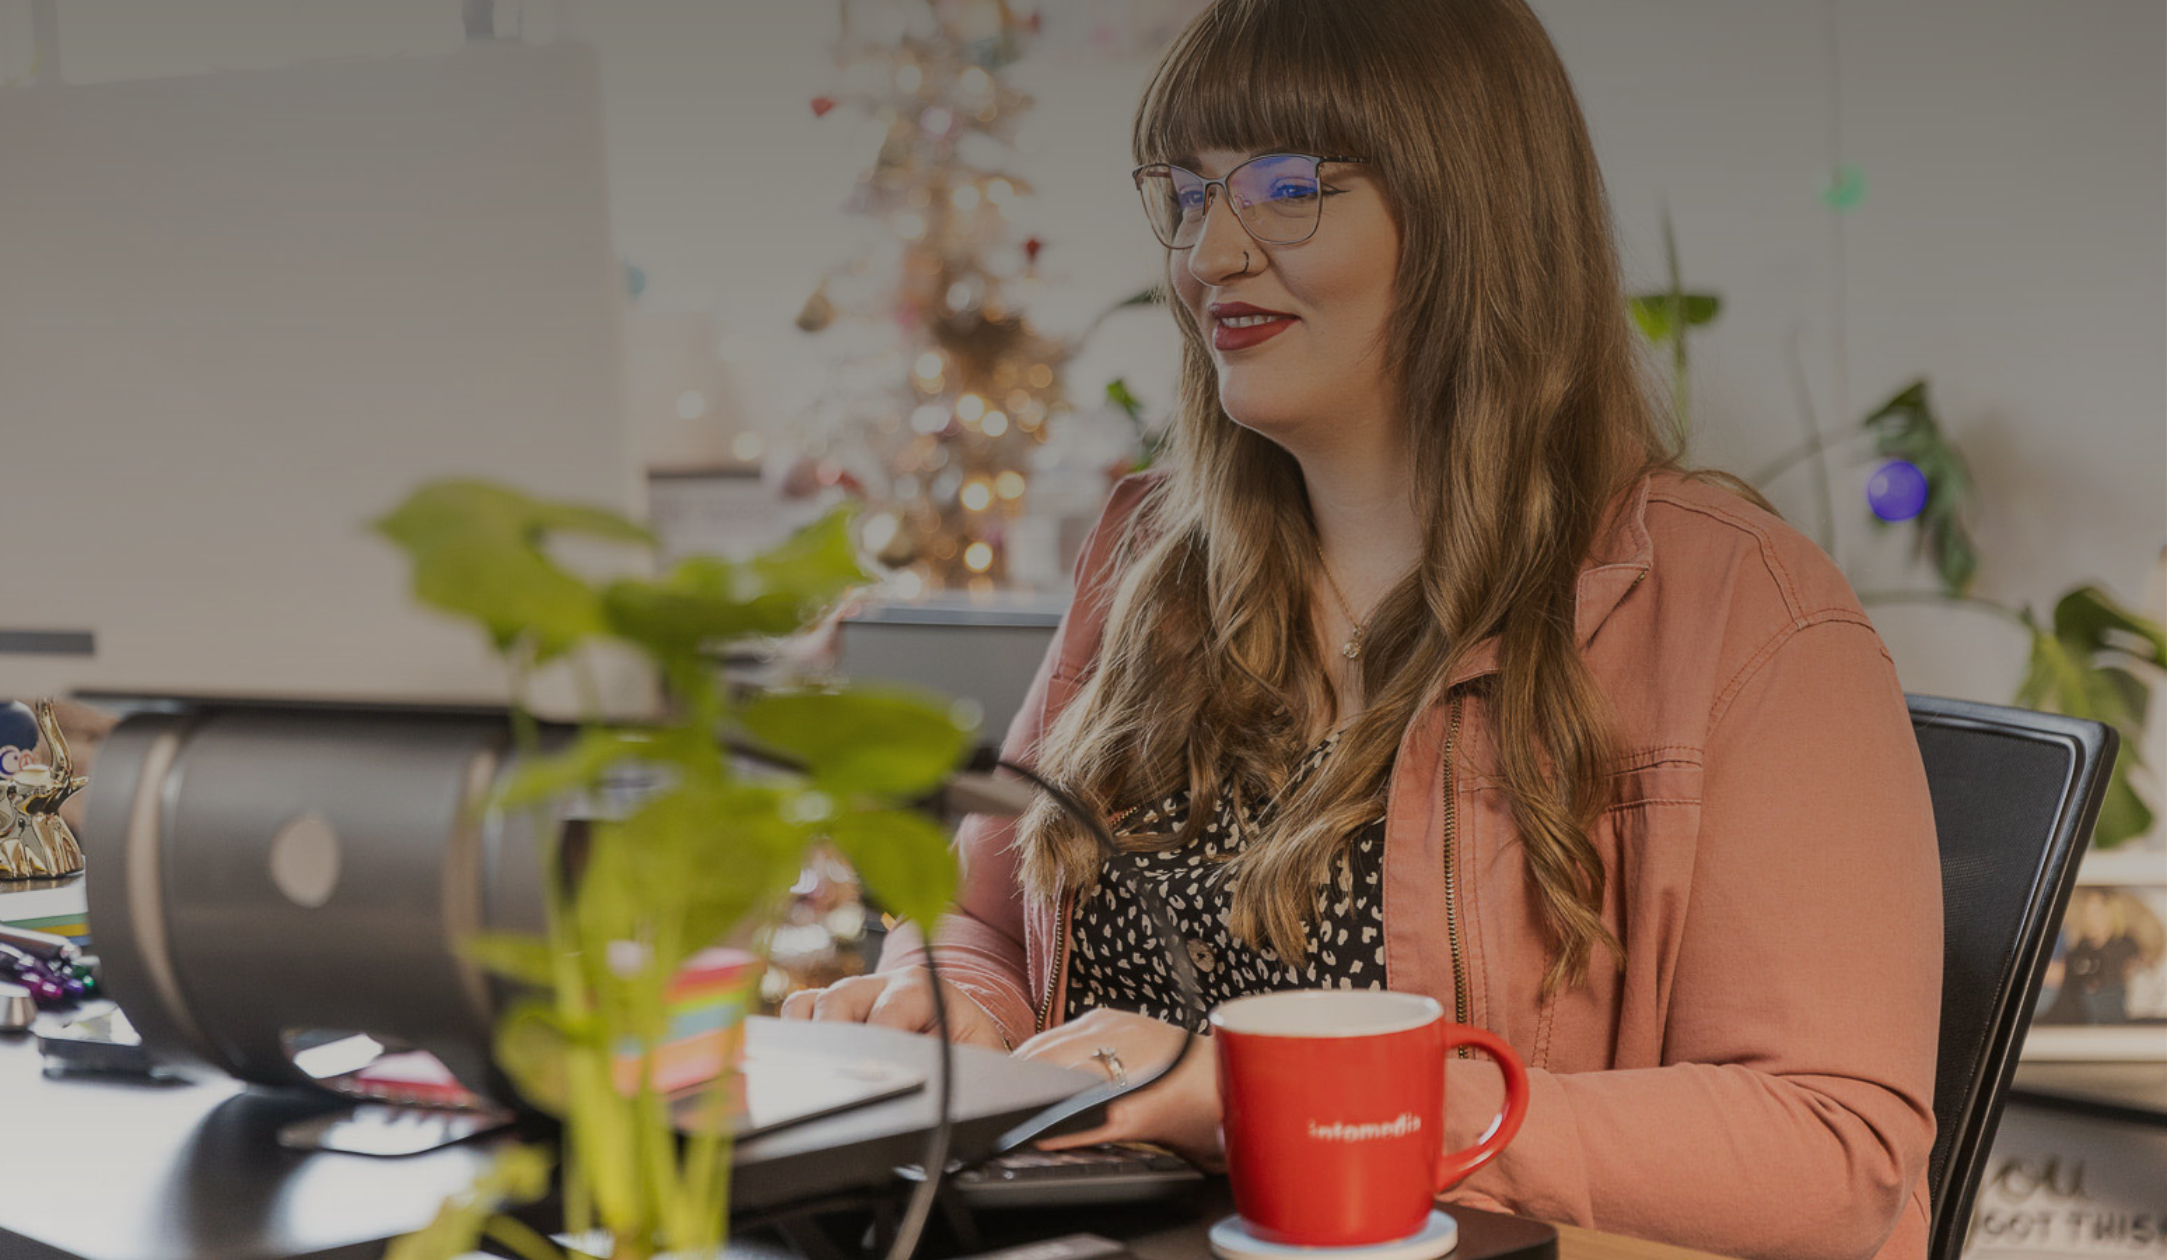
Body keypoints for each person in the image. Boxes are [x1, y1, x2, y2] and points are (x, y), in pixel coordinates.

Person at [782, 2, 1943, 1256]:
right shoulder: (1144, 564)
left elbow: (1833, 1154)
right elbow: (983, 924)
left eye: (1286, 187)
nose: (1208, 250)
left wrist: (1260, 1098)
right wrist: (950, 1007)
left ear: (1469, 214)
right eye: (1185, 192)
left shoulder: (1746, 611)